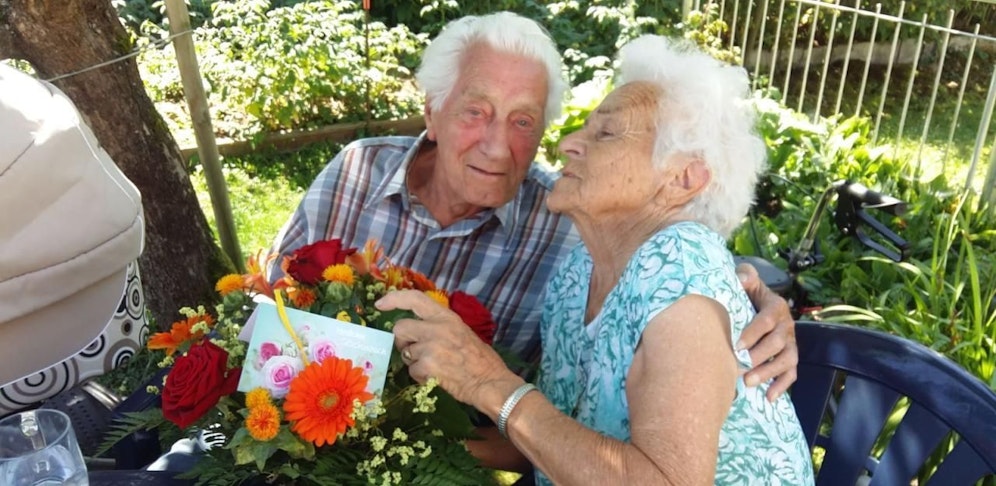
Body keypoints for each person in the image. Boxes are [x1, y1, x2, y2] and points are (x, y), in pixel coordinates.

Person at [269, 12, 797, 397]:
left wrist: (763, 304)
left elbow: (676, 255)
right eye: (476, 111)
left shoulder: (566, 224)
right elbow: (264, 305)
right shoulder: (358, 173)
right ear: (433, 113)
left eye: (523, 122)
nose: (498, 146)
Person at [376, 35, 815, 483]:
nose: (568, 143)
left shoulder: (683, 280)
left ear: (684, 179)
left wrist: (488, 383)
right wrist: (396, 439)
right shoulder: (579, 271)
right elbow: (552, 436)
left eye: (605, 132)